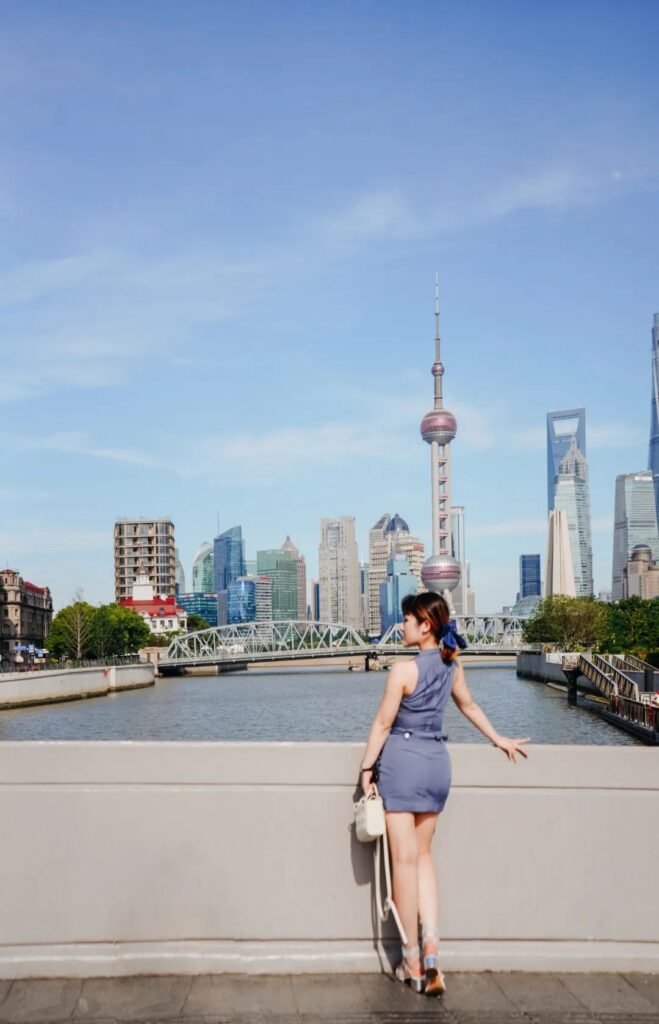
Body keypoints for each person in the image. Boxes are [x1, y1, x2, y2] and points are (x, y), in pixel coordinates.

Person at [359, 591, 530, 996]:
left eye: (406, 619)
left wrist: (367, 769)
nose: (401, 625)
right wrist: (498, 739)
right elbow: (469, 707)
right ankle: (434, 953)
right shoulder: (453, 665)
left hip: (403, 764)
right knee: (423, 858)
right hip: (438, 764)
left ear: (425, 626)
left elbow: (383, 725)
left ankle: (411, 960)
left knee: (403, 862)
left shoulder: (402, 670)